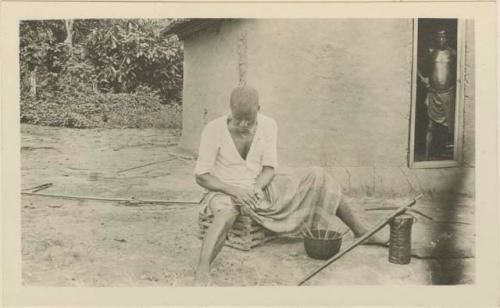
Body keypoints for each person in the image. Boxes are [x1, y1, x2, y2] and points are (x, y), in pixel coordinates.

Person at [194, 85, 387, 285]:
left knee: (317, 175)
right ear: (230, 109)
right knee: (226, 212)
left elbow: (269, 168)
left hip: (258, 187)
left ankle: (361, 231)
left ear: (259, 109)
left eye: (249, 120)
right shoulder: (213, 129)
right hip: (224, 189)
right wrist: (235, 191)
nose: (243, 124)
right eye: (237, 118)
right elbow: (201, 176)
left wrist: (256, 188)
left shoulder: (269, 125)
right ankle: (202, 268)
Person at [418, 29, 457, 160]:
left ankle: (450, 155)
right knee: (431, 125)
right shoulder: (431, 53)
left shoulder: (453, 53)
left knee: (450, 125)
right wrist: (425, 81)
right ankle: (426, 156)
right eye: (439, 37)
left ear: (447, 38)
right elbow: (419, 68)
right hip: (434, 93)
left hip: (448, 93)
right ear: (436, 38)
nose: (441, 39)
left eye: (444, 37)